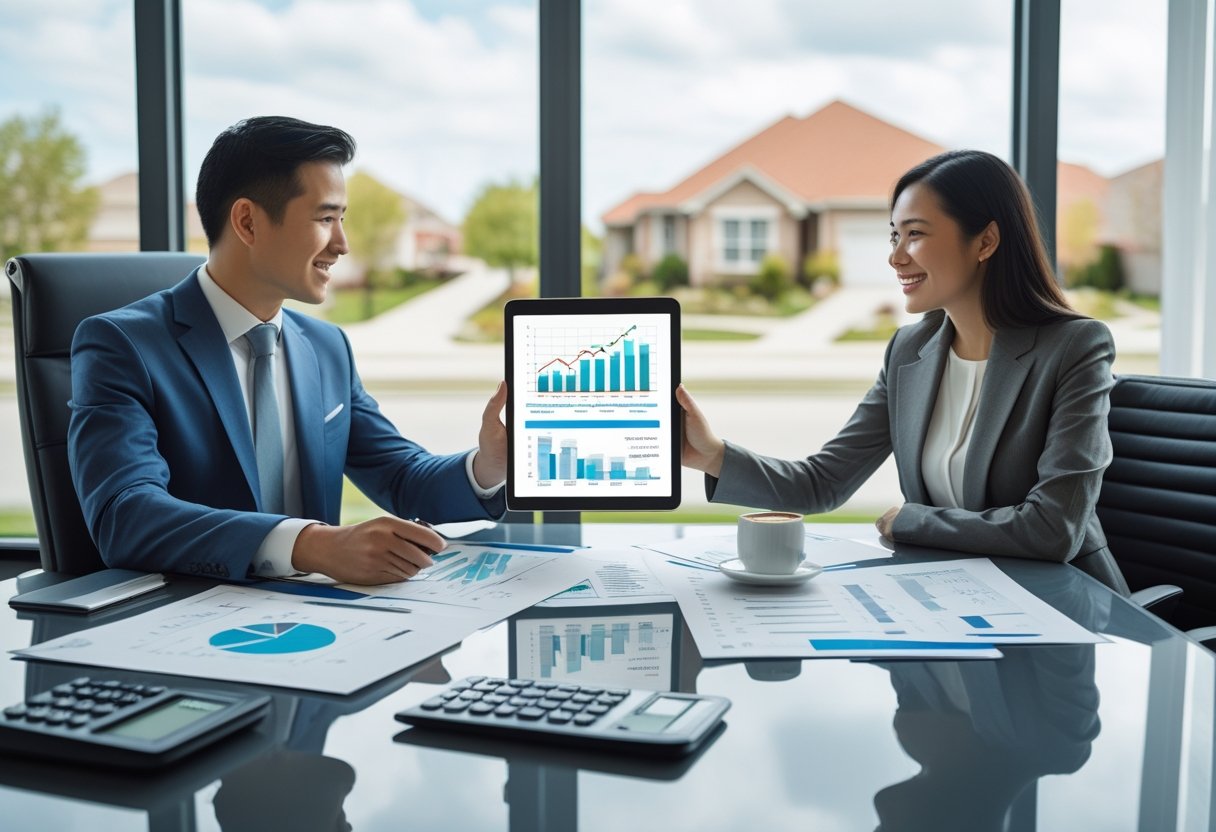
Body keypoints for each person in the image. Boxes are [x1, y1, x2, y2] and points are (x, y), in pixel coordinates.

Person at [68, 116, 507, 585]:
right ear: (247, 221)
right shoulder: (122, 346)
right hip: (191, 630)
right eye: (325, 219)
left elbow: (402, 477)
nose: (341, 244)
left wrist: (487, 466)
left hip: (322, 628)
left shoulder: (326, 347)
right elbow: (126, 516)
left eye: (342, 220)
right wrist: (313, 545)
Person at [678, 149, 1128, 592]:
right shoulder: (910, 351)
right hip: (954, 600)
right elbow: (822, 483)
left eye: (915, 234)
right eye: (894, 236)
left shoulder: (1073, 347)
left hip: (1065, 606)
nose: (896, 257)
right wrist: (712, 454)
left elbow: (1053, 529)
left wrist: (914, 521)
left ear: (985, 241)